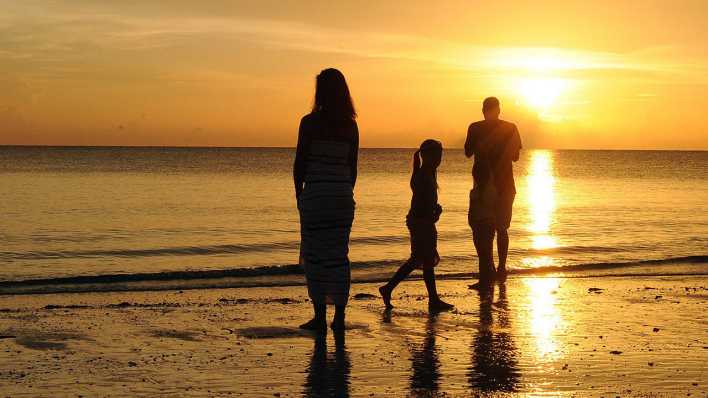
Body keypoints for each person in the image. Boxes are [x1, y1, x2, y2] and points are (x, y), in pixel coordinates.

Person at [294, 68, 359, 332]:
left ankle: (320, 316)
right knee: (339, 257)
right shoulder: (350, 126)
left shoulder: (309, 123)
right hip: (341, 198)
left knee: (316, 256)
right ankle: (340, 317)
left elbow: (299, 164)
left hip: (317, 197)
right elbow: (352, 167)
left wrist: (300, 195)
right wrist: (344, 191)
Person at [379, 140, 454, 312]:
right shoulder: (423, 175)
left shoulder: (427, 173)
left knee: (423, 260)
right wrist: (435, 214)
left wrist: (434, 212)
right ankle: (391, 288)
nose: (439, 159)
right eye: (437, 155)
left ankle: (431, 299)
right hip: (421, 222)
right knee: (420, 259)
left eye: (441, 155)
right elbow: (422, 204)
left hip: (420, 221)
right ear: (427, 156)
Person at [465, 97, 521, 288]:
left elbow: (467, 152)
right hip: (502, 185)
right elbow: (516, 156)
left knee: (485, 229)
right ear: (498, 110)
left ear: (484, 110)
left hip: (489, 186)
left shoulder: (476, 128)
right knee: (500, 228)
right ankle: (499, 269)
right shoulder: (510, 128)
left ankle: (492, 271)